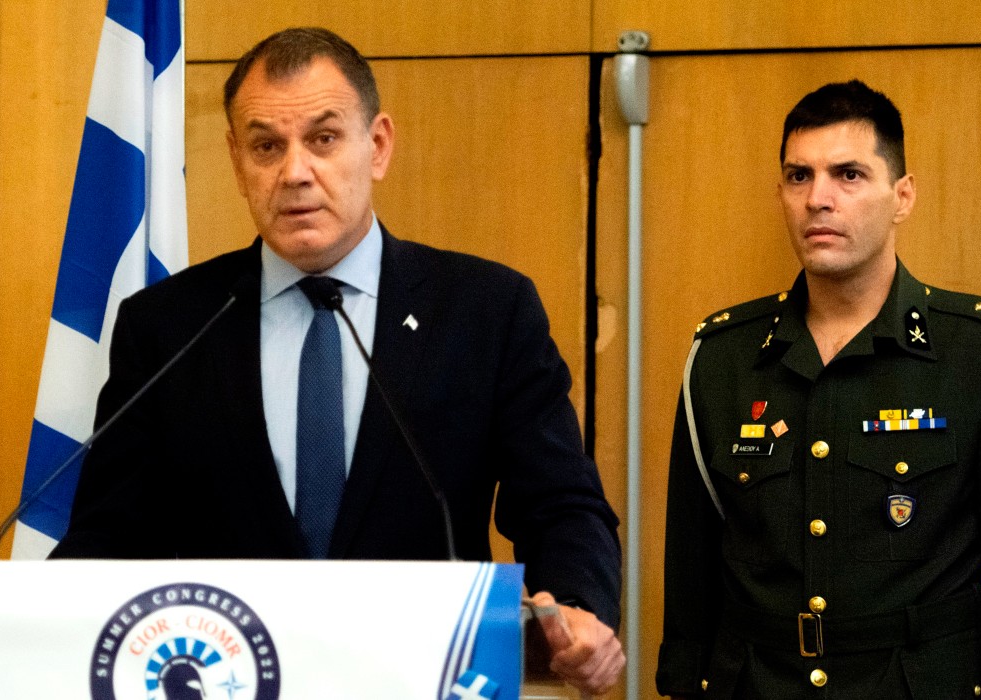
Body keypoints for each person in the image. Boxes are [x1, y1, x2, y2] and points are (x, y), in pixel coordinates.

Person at [49, 27, 625, 694]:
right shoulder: (168, 327)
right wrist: (11, 621)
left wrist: (576, 607)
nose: (295, 172)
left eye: (323, 139)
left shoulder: (486, 311)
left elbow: (560, 505)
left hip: (427, 680)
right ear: (237, 161)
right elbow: (109, 537)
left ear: (376, 146)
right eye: (267, 146)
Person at [657, 80, 981, 699]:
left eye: (848, 175)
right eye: (798, 176)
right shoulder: (723, 358)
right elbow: (692, 578)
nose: (817, 199)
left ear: (902, 196)